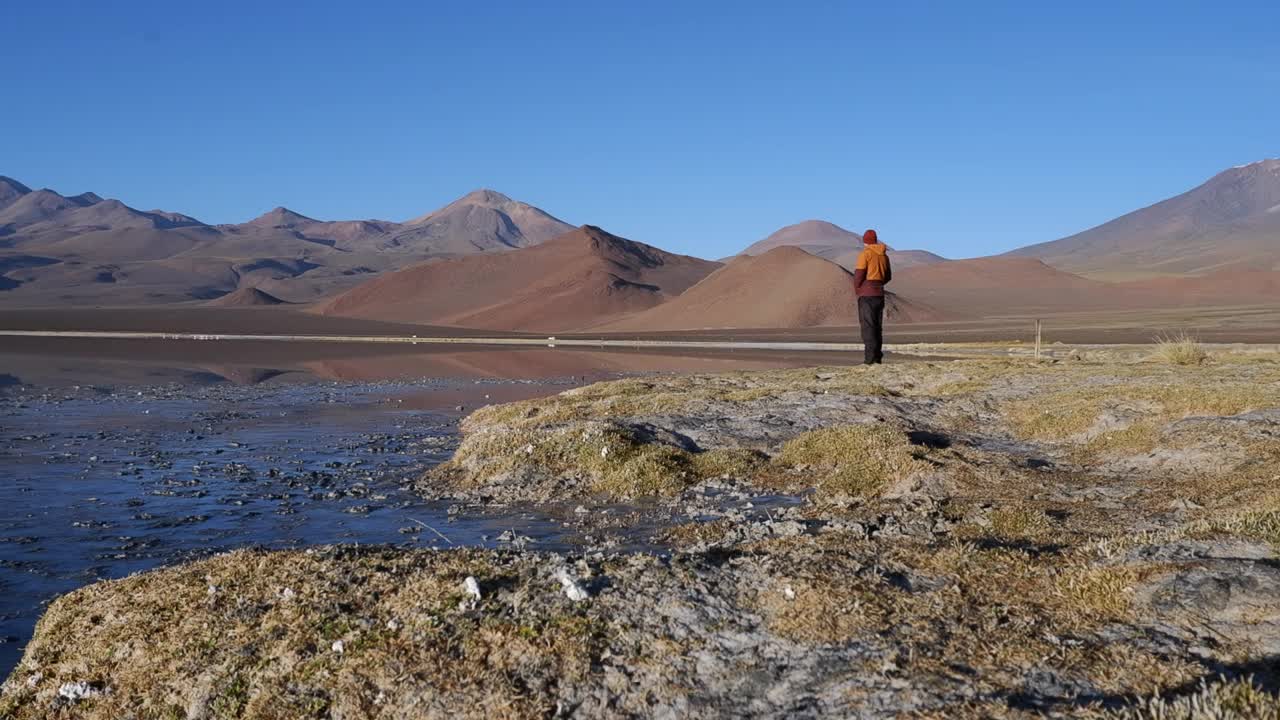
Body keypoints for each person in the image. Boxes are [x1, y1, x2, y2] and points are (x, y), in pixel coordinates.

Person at [852, 228, 891, 364]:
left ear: (865, 242)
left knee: (868, 327)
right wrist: (878, 284)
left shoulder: (865, 254)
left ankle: (869, 360)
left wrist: (858, 288)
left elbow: (859, 275)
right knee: (877, 326)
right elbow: (888, 276)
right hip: (879, 294)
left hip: (866, 294)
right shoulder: (884, 255)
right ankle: (877, 358)